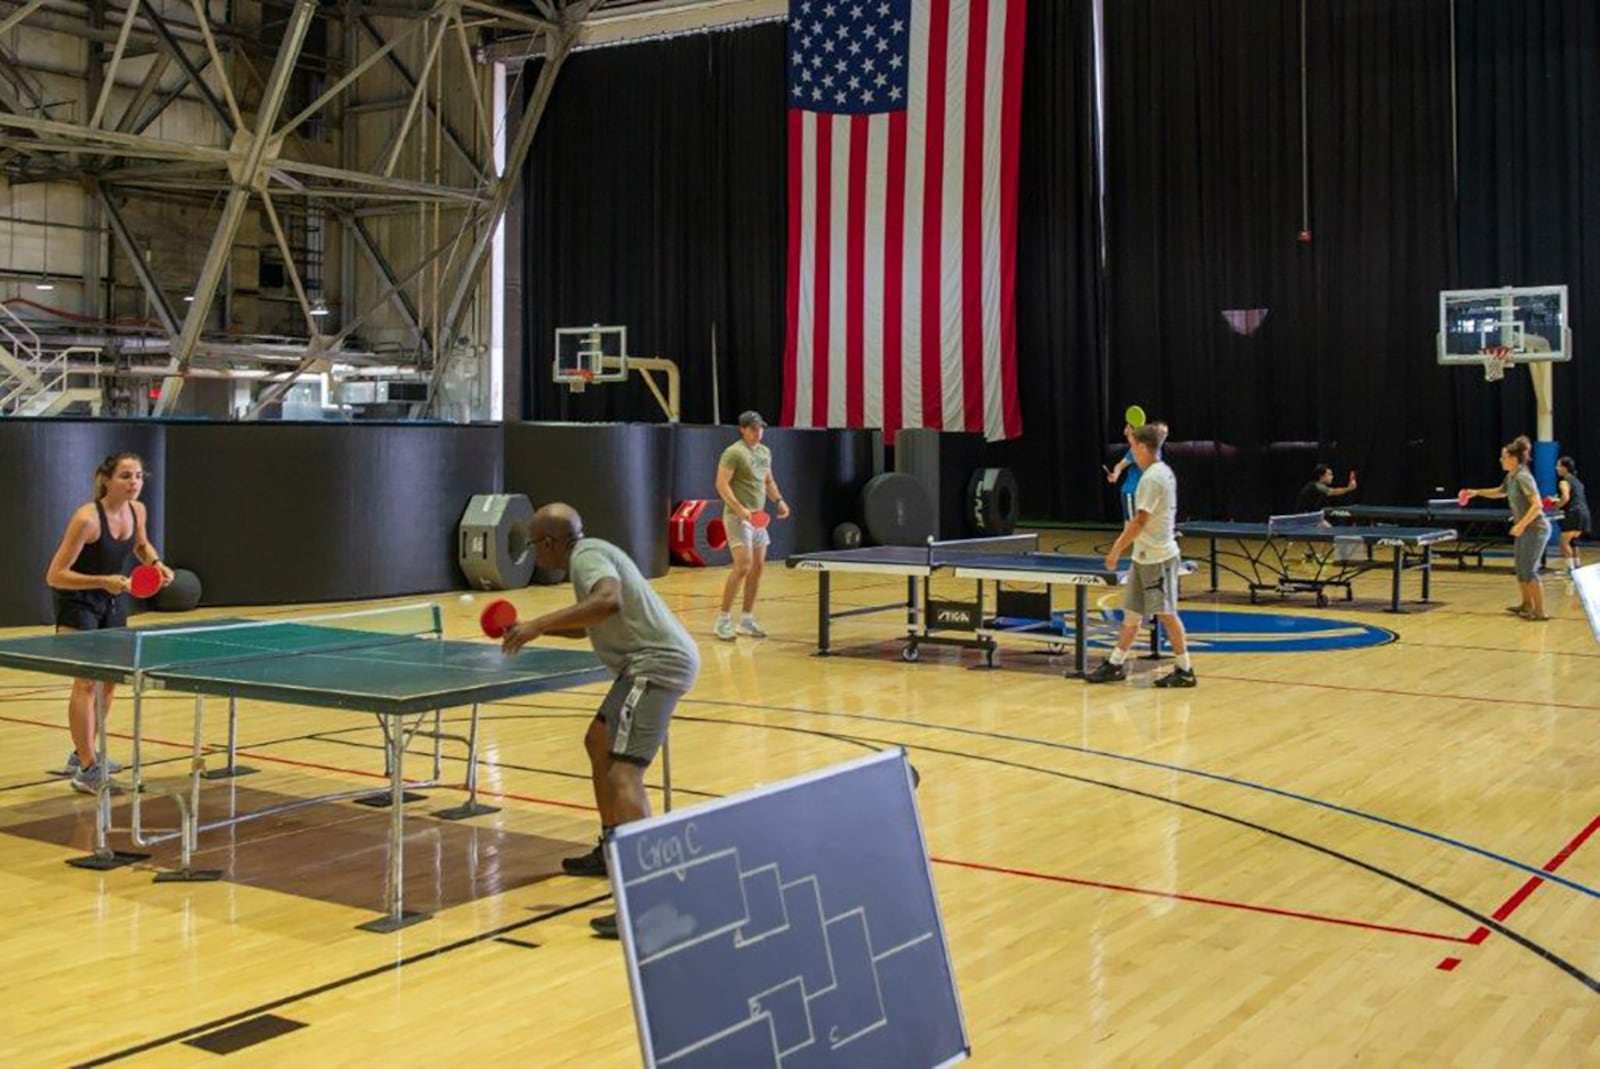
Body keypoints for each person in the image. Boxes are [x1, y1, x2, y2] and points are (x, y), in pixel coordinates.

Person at [500, 503, 700, 939]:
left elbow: (607, 601)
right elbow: (589, 620)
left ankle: (653, 902)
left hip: (654, 665)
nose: (536, 554)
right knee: (598, 741)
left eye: (535, 546)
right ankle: (612, 848)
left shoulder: (585, 557)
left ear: (551, 542)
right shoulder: (592, 553)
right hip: (643, 664)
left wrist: (537, 624)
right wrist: (533, 628)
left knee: (625, 772)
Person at [44, 453, 173, 794]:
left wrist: (157, 563)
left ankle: (82, 751)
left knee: (110, 682)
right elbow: (55, 575)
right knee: (85, 682)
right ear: (106, 480)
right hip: (78, 602)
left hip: (113, 598)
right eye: (126, 476)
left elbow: (141, 546)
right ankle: (88, 769)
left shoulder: (138, 511)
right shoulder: (87, 519)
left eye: (138, 476)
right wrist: (102, 581)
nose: (134, 483)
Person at [1087, 423, 1196, 687]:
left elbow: (1139, 521)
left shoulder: (1151, 479)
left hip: (1158, 559)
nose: (1131, 451)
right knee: (1132, 615)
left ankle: (1185, 670)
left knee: (1167, 614)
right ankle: (1115, 663)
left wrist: (1115, 550)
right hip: (1143, 557)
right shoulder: (1161, 471)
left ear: (1144, 448)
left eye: (1134, 446)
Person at [713, 411, 790, 641]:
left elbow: (768, 481)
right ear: (743, 430)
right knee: (743, 566)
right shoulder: (734, 453)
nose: (759, 433)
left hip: (758, 518)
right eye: (754, 429)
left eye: (761, 428)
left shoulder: (765, 452)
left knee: (757, 567)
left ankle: (746, 619)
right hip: (738, 518)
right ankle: (723, 620)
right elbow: (721, 484)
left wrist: (779, 501)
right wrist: (739, 509)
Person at [1460, 436, 1550, 621]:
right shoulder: (1512, 476)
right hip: (1525, 530)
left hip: (1536, 529)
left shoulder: (1524, 477)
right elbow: (1500, 491)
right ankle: (1526, 605)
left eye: (1503, 457)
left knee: (1530, 570)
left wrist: (1521, 524)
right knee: (1521, 568)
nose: (1501, 460)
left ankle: (1540, 612)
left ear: (1513, 458)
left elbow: (1537, 505)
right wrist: (1477, 492)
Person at [1554, 456, 1589, 571]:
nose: (1556, 468)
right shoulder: (1578, 482)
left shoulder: (1564, 481)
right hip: (1584, 514)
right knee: (1573, 541)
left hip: (1573, 513)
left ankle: (1570, 569)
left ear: (1565, 468)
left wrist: (1557, 504)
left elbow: (1565, 497)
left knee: (1563, 543)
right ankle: (1578, 567)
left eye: (1558, 465)